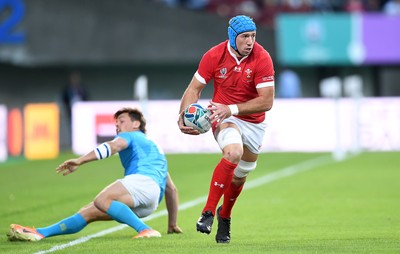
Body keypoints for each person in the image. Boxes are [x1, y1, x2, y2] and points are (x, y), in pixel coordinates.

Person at [7, 107, 182, 242]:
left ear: (136, 124)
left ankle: (145, 230)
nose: (117, 125)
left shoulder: (131, 136)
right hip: (150, 202)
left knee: (102, 200)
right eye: (116, 122)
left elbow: (113, 147)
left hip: (141, 184)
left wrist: (80, 160)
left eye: (121, 121)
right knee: (88, 212)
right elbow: (171, 190)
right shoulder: (155, 151)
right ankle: (40, 234)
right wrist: (172, 224)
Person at [177, 15, 275, 243]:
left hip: (253, 121)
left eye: (253, 36)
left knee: (241, 176)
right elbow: (194, 89)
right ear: (233, 37)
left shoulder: (262, 58)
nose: (250, 41)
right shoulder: (214, 56)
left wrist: (231, 109)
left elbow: (267, 102)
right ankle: (208, 212)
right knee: (233, 152)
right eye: (245, 37)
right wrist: (182, 115)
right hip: (222, 115)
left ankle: (225, 215)